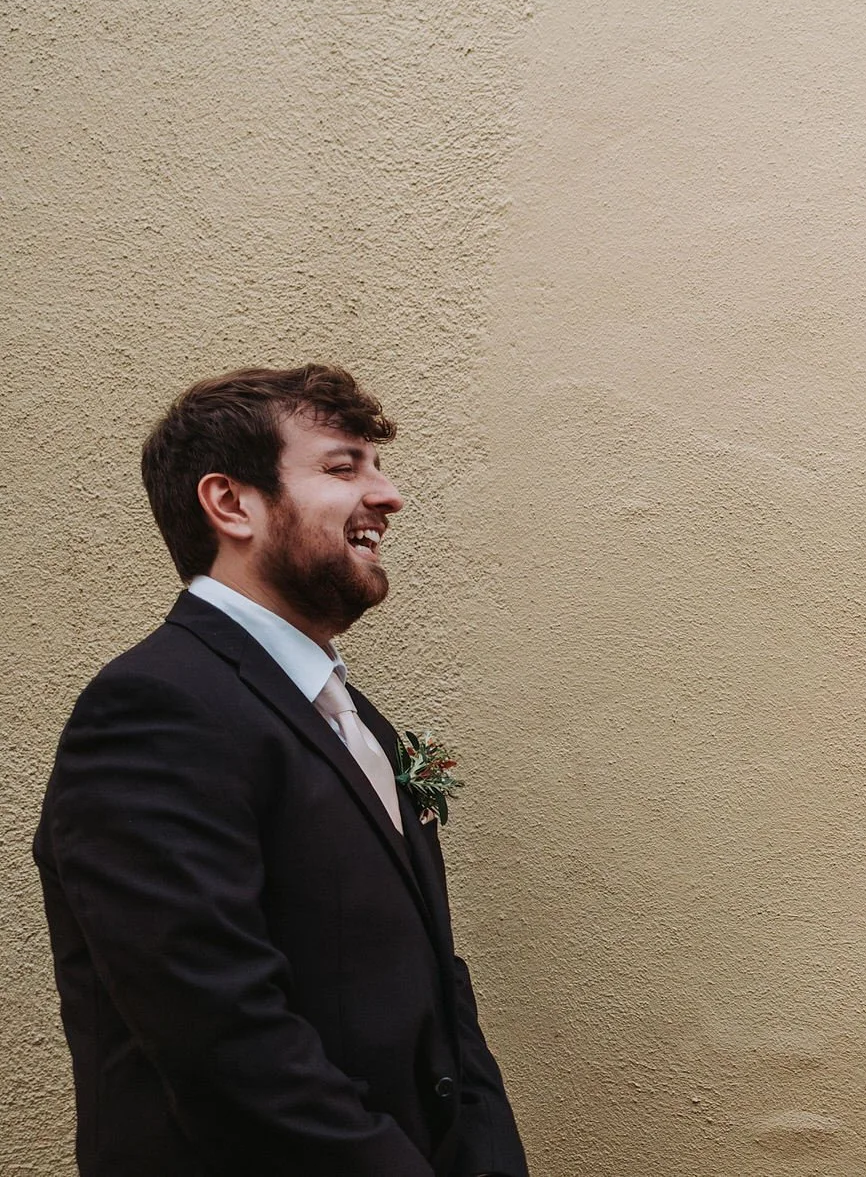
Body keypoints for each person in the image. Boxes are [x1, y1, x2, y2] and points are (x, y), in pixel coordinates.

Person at [34, 365, 528, 1177]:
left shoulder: (356, 717)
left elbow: (440, 992)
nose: (389, 494)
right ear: (231, 503)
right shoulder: (154, 708)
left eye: (376, 464)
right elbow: (223, 1036)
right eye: (344, 467)